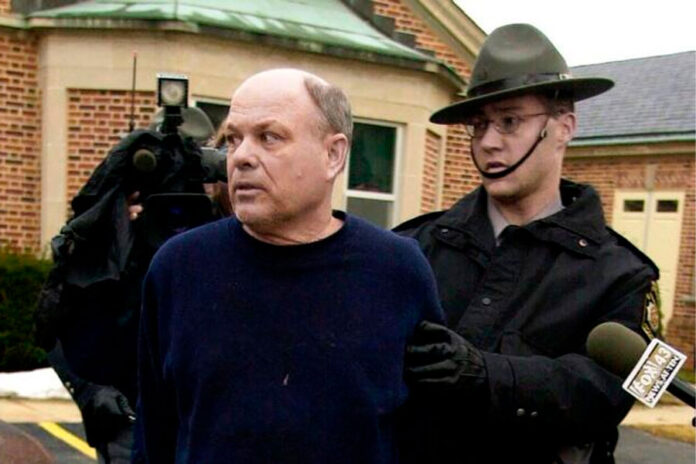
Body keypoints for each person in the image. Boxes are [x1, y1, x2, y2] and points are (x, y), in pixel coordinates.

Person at [134, 68, 444, 463]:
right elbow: (154, 432)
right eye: (234, 139)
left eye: (269, 137)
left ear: (333, 155)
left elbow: (428, 435)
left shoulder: (397, 271)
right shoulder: (179, 269)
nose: (241, 157)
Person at [395, 24, 659, 463]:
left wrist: (488, 375)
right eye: (479, 125)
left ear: (564, 127)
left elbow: (613, 394)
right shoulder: (414, 246)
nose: (488, 142)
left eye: (510, 121)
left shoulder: (624, 274)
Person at [37, 107, 219, 464]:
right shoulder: (110, 241)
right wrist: (95, 394)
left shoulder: (224, 236)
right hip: (128, 419)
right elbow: (57, 325)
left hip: (201, 422)